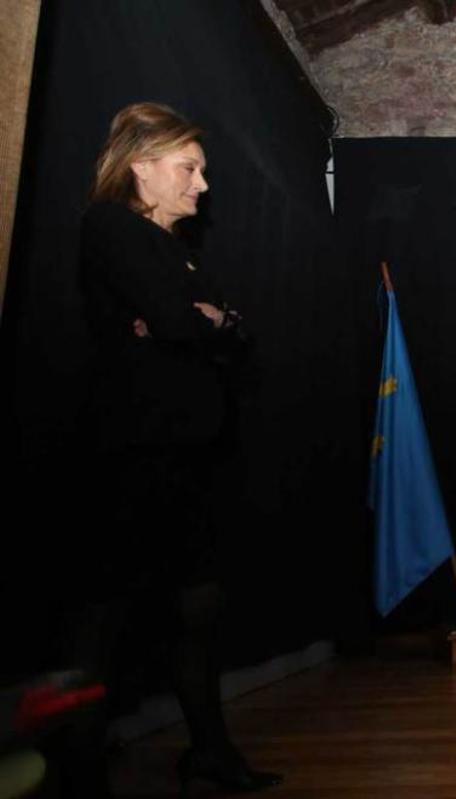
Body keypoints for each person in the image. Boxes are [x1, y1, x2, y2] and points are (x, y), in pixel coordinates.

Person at [64, 102, 281, 797]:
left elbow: (231, 338)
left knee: (199, 611)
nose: (202, 185)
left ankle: (210, 750)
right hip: (132, 461)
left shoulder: (183, 254)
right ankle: (77, 771)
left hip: (192, 463)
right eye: (189, 168)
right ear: (141, 166)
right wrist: (196, 320)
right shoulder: (109, 226)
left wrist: (201, 321)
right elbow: (177, 320)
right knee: (108, 621)